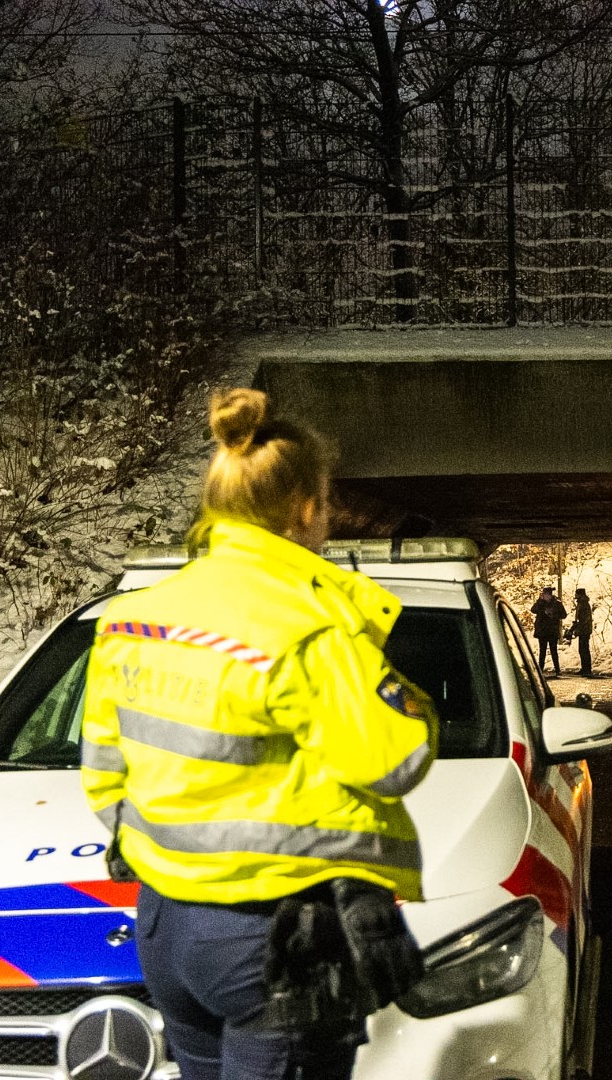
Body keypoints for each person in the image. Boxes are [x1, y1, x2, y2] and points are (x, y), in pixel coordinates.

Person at [81, 387, 437, 1080]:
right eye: (326, 504)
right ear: (305, 509)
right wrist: (405, 694)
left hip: (167, 929)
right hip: (274, 943)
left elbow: (103, 773)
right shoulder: (306, 627)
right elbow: (395, 759)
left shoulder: (134, 619)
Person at [531, 585, 567, 676]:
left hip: (552, 630)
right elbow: (533, 610)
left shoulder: (557, 603)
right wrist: (540, 601)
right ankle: (540, 669)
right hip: (542, 631)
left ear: (550, 595)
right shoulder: (541, 603)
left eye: (547, 594)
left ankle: (557, 669)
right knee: (542, 651)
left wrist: (554, 615)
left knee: (553, 651)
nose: (546, 596)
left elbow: (563, 614)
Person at [568, 587, 594, 676]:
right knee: (583, 649)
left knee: (584, 649)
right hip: (584, 629)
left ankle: (587, 669)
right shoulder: (583, 603)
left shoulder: (583, 604)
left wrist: (576, 628)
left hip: (584, 630)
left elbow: (582, 619)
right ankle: (585, 668)